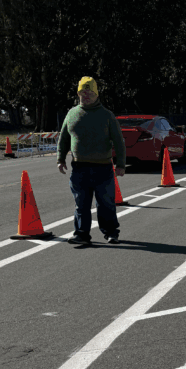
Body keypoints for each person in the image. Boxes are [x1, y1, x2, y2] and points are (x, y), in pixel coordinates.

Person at [56, 76, 126, 247]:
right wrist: (60, 159)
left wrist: (121, 164)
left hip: (103, 168)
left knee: (106, 203)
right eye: (82, 92)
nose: (86, 95)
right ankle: (81, 234)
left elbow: (119, 141)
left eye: (90, 92)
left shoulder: (107, 115)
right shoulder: (72, 114)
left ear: (96, 94)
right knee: (81, 203)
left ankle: (111, 233)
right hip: (79, 168)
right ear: (78, 93)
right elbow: (64, 138)